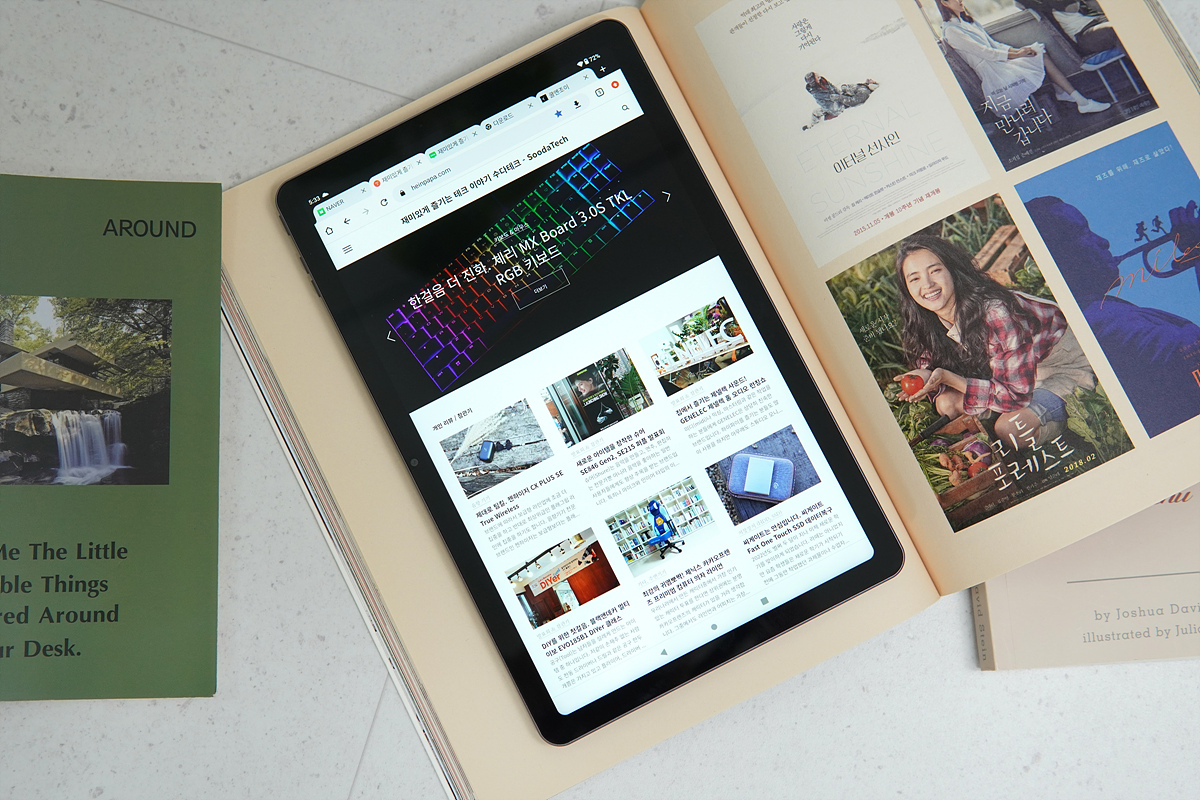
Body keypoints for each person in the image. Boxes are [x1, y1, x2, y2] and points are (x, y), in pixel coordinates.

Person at [893, 234, 1096, 448]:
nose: (927, 284)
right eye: (914, 278)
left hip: (1062, 371)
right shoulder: (928, 320)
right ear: (907, 288)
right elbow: (932, 367)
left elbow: (1015, 396)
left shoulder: (994, 311)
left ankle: (1067, 417)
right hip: (1016, 377)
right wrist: (925, 375)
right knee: (946, 403)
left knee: (1011, 428)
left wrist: (950, 378)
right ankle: (992, 433)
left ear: (952, 269)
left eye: (935, 270)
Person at [1024, 196, 1200, 435]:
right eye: (1082, 232)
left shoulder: (1100, 316)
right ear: (1059, 256)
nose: (1103, 241)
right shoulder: (1108, 323)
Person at [936, 0, 1110, 114]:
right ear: (944, 3)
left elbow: (994, 45)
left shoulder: (969, 22)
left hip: (1000, 61)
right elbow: (985, 52)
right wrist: (1018, 54)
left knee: (1037, 50)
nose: (961, 0)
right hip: (994, 71)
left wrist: (1020, 50)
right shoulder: (952, 31)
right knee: (1041, 56)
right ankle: (1081, 102)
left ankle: (1064, 92)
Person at [801, 72, 879, 130]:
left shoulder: (863, 91)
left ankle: (812, 127)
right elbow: (839, 89)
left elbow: (853, 101)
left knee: (818, 112)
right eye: (817, 76)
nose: (869, 79)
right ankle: (811, 126)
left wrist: (839, 96)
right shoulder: (862, 86)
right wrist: (843, 90)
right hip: (836, 100)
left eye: (872, 81)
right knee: (817, 112)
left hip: (837, 105)